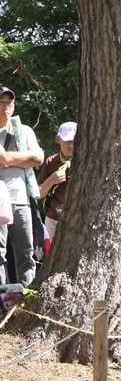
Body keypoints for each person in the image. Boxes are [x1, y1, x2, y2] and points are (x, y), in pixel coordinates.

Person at [0, 85, 44, 285]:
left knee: (27, 253)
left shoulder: (24, 131)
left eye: (8, 102)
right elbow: (5, 155)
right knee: (0, 255)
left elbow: (39, 157)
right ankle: (2, 303)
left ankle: (26, 299)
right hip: (1, 200)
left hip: (22, 199)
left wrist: (9, 159)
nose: (5, 107)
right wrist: (22, 158)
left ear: (14, 106)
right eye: (1, 102)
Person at [37, 121, 76, 239]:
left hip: (77, 219)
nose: (71, 145)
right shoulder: (51, 162)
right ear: (58, 139)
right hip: (53, 218)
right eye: (67, 140)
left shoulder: (86, 162)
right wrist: (51, 180)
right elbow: (38, 194)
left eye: (74, 141)